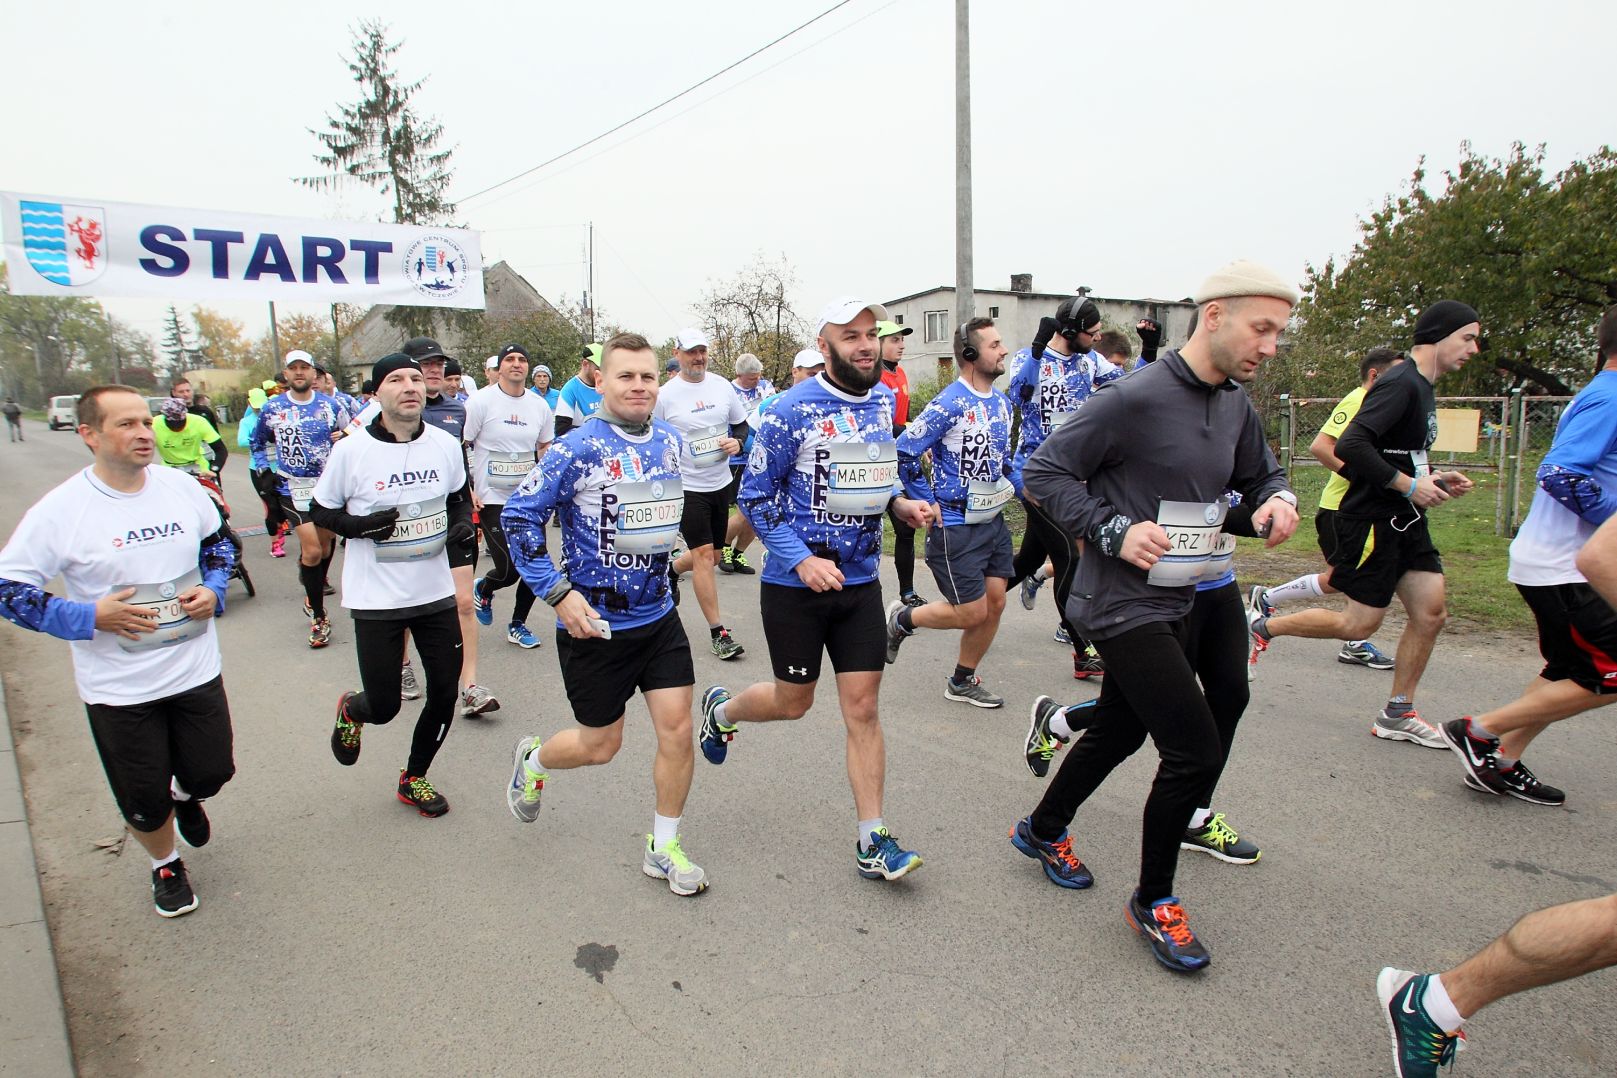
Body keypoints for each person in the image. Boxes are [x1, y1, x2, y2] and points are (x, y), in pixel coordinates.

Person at [1009, 261, 1299, 972]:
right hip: (1123, 600)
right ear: (1214, 316)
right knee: (1193, 749)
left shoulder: (1233, 403)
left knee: (1125, 725)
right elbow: (1043, 472)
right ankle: (1153, 900)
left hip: (1195, 588)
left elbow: (1258, 473)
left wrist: (1275, 499)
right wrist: (1111, 529)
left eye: (1279, 334)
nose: (1270, 346)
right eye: (1261, 329)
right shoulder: (1133, 396)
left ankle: (1042, 826)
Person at [700, 297, 935, 881]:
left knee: (863, 709)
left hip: (859, 582)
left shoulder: (881, 400)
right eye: (850, 335)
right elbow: (755, 497)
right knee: (794, 702)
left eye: (870, 334)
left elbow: (878, 473)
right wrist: (801, 560)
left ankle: (872, 837)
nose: (865, 344)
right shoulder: (789, 410)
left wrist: (899, 503)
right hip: (795, 586)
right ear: (825, 346)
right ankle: (723, 711)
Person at [0, 385, 237, 917]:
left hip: (194, 669)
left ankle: (185, 795)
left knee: (212, 773)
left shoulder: (181, 487)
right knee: (142, 797)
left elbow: (218, 544)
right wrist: (88, 616)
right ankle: (166, 863)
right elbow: (8, 590)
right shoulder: (61, 511)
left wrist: (214, 588)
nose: (143, 433)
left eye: (145, 422)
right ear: (89, 434)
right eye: (126, 424)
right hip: (119, 688)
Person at [501, 332, 708, 895]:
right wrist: (557, 593)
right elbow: (518, 517)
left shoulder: (670, 441)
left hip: (659, 617)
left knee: (678, 731)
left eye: (648, 376)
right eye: (626, 376)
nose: (639, 386)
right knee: (601, 746)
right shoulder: (576, 449)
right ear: (600, 381)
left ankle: (663, 845)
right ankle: (534, 760)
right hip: (595, 625)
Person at [1248, 301, 1480, 747]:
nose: (1474, 349)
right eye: (1467, 338)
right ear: (1438, 335)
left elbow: (1400, 453)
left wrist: (1431, 479)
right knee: (1358, 626)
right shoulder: (1401, 383)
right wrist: (1408, 486)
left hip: (1406, 520)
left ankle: (1398, 713)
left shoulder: (1423, 385)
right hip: (1374, 521)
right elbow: (1351, 443)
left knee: (1431, 614)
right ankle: (1262, 627)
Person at [1436, 304, 1617, 806]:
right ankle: (1478, 731)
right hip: (1568, 566)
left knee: (1566, 671)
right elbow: (1560, 474)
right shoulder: (1611, 397)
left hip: (1560, 563)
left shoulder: (1603, 393)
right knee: (1606, 676)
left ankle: (1501, 760)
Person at [313, 352, 473, 818]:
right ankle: (353, 711)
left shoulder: (444, 444)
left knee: (444, 692)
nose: (410, 386)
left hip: (433, 592)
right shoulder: (352, 451)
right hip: (377, 597)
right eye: (397, 380)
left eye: (416, 379)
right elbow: (321, 511)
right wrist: (360, 527)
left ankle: (414, 777)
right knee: (384, 706)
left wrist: (462, 525)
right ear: (376, 393)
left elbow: (459, 498)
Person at [350, 337, 491, 714]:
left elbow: (458, 461)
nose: (433, 370)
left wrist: (466, 498)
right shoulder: (376, 411)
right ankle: (403, 665)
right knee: (409, 605)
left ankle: (470, 685)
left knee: (463, 601)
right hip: (398, 529)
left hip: (447, 520)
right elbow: (352, 450)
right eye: (424, 365)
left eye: (438, 364)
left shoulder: (457, 409)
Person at [887, 317, 1016, 708]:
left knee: (995, 603)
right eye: (994, 345)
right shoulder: (949, 403)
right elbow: (905, 451)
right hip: (955, 524)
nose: (1003, 350)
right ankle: (902, 620)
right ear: (971, 354)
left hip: (992, 519)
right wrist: (926, 499)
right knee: (971, 612)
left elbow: (1003, 463)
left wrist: (1032, 490)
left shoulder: (1002, 403)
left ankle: (962, 680)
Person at [1248, 347, 1404, 671]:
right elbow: (1320, 446)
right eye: (1398, 373)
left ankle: (1267, 598)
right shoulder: (1359, 400)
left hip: (1366, 511)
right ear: (1374, 375)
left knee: (1343, 579)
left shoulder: (1383, 404)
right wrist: (1362, 478)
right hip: (1343, 509)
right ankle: (1350, 641)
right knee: (1349, 580)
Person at [1005, 296, 1125, 678]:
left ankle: (970, 603)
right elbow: (1017, 396)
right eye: (1093, 332)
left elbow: (1132, 386)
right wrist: (1037, 350)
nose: (1098, 337)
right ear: (1071, 331)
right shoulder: (1030, 359)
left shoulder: (1090, 361)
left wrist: (1152, 352)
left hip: (1074, 476)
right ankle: (1082, 651)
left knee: (1028, 560)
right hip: (1036, 476)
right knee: (1069, 557)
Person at [656, 328, 750, 660]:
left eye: (702, 351)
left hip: (719, 483)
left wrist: (737, 442)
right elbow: (651, 437)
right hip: (687, 487)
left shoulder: (722, 386)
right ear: (677, 353)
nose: (698, 358)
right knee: (705, 556)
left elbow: (741, 425)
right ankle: (718, 632)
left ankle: (672, 570)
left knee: (712, 556)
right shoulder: (665, 395)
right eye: (692, 352)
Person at [251, 349, 350, 647]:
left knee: (325, 545)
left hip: (327, 486)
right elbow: (257, 441)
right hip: (292, 487)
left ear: (313, 373)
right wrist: (265, 472)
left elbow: (355, 433)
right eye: (293, 368)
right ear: (286, 374)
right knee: (312, 550)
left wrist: (344, 437)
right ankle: (319, 616)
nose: (298, 372)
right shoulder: (273, 407)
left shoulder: (330, 405)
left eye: (304, 367)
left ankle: (313, 587)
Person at [467, 343, 555, 649]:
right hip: (491, 497)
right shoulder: (480, 402)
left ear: (527, 367)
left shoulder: (538, 406)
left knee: (534, 565)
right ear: (500, 367)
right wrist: (468, 489)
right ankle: (485, 587)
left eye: (522, 359)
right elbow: (461, 444)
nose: (516, 364)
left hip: (528, 499)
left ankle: (518, 624)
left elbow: (544, 446)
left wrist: (547, 483)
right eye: (510, 359)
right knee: (508, 569)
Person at [874, 320, 927, 608]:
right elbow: (886, 425)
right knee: (865, 529)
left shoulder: (901, 373)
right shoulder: (874, 378)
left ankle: (907, 592)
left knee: (906, 528)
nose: (901, 345)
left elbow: (903, 421)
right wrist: (915, 434)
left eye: (902, 339)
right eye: (894, 340)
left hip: (900, 462)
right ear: (878, 343)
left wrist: (919, 443)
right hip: (874, 460)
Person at [719, 353, 773, 576]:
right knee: (742, 511)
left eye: (758, 376)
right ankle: (723, 547)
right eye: (752, 378)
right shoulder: (728, 390)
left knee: (756, 509)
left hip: (763, 460)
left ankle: (739, 552)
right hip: (737, 458)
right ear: (739, 374)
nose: (756, 380)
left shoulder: (766, 388)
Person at [238, 387, 290, 557]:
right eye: (255, 406)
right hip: (259, 469)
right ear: (249, 404)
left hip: (280, 467)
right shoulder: (246, 422)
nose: (258, 409)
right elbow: (241, 441)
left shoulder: (276, 417)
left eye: (260, 406)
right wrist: (259, 438)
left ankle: (281, 525)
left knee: (284, 505)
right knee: (271, 506)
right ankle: (275, 544)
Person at [152, 398, 228, 477]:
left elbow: (220, 449)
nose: (176, 427)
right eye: (172, 423)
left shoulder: (199, 422)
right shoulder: (154, 424)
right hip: (169, 468)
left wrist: (213, 470)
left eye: (180, 422)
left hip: (197, 467)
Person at [554, 344, 603, 436]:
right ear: (585, 364)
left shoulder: (606, 387)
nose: (601, 374)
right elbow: (561, 430)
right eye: (598, 369)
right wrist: (594, 432)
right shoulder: (569, 390)